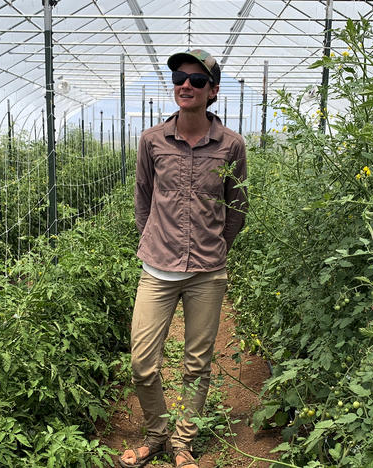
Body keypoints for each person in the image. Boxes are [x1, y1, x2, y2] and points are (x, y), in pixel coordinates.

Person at [118, 49, 247, 468]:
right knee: (142, 363)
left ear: (213, 91)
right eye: (178, 77)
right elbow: (142, 198)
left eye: (195, 79)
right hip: (157, 268)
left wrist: (218, 247)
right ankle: (156, 433)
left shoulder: (231, 145)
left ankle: (182, 443)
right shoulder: (152, 140)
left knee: (197, 363)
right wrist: (156, 238)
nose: (185, 85)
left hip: (207, 273)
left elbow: (237, 207)